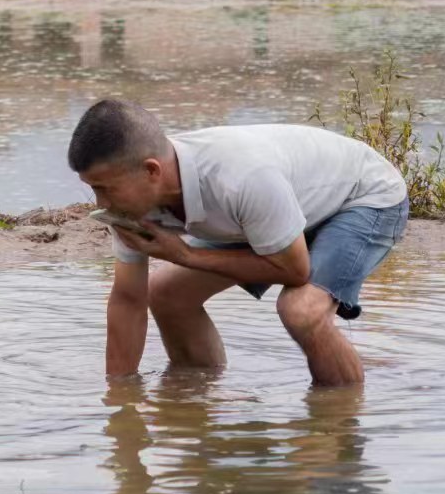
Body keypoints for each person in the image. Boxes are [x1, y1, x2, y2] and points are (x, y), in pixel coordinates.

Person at [69, 100, 408, 387]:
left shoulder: (239, 177)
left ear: (152, 171)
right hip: (281, 210)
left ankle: (339, 424)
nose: (101, 203)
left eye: (105, 189)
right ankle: (198, 396)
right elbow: (128, 299)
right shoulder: (130, 200)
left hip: (362, 197)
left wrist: (186, 254)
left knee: (302, 310)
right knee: (166, 293)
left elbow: (294, 270)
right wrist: (120, 400)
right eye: (92, 187)